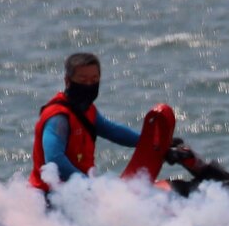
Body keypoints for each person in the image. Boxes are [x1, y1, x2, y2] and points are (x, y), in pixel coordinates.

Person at [29, 52, 146, 192]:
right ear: (68, 81)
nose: (89, 85)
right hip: (49, 197)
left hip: (78, 193)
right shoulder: (58, 117)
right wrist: (90, 185)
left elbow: (113, 131)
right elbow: (54, 160)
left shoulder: (88, 110)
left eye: (94, 80)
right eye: (83, 80)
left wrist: (154, 142)